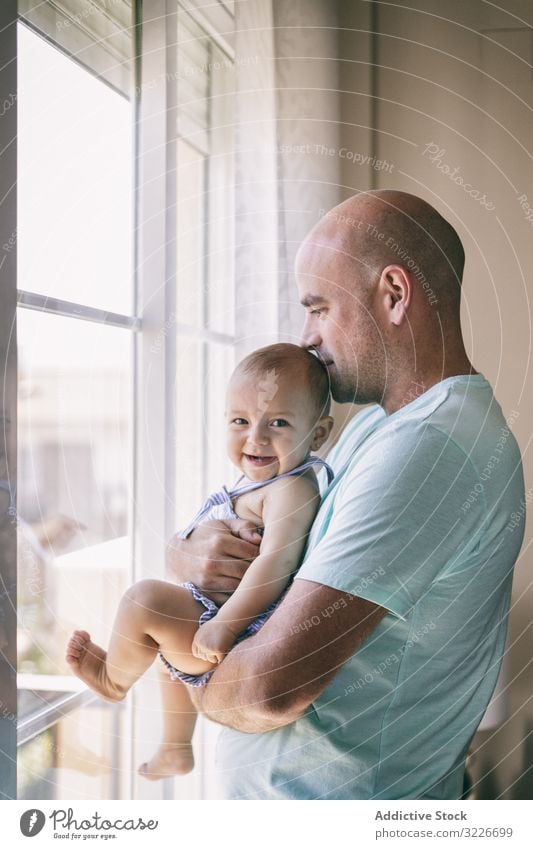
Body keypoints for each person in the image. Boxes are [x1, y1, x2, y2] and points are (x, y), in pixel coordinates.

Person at [168, 190, 526, 800]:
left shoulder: (429, 446)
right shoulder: (379, 426)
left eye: (319, 308)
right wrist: (187, 553)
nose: (304, 338)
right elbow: (274, 532)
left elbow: (269, 689)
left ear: (394, 293)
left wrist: (176, 655)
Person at [65, 343, 334, 778]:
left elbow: (277, 565)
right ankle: (175, 747)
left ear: (318, 434)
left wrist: (224, 624)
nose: (256, 438)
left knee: (145, 600)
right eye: (240, 421)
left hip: (240, 626)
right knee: (162, 646)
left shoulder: (292, 489)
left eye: (278, 423)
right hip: (213, 613)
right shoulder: (257, 480)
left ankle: (113, 682)